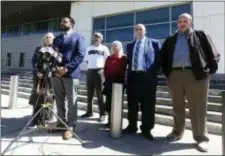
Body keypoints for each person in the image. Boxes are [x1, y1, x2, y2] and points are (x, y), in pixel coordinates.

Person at [161, 13, 220, 152]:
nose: (182, 23)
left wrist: (208, 72)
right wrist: (167, 73)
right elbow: (162, 57)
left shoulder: (200, 35)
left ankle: (201, 138)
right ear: (177, 23)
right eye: (180, 21)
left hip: (196, 76)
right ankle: (177, 132)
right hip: (175, 75)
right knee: (177, 106)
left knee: (198, 108)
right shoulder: (171, 39)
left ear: (191, 22)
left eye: (185, 21)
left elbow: (214, 55)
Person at [123, 24, 161, 140]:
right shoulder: (130, 45)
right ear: (134, 32)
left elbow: (159, 59)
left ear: (145, 31)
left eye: (141, 29)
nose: (138, 31)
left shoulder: (154, 43)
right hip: (133, 77)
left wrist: (153, 72)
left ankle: (146, 129)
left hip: (147, 77)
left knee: (148, 105)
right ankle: (132, 126)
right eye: (136, 29)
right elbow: (128, 62)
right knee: (132, 103)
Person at [51, 16, 85, 140]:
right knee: (59, 100)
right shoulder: (57, 38)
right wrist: (55, 69)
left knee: (72, 101)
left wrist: (66, 68)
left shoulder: (78, 37)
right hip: (57, 75)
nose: (62, 23)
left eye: (65, 21)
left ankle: (70, 126)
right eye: (61, 22)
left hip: (70, 74)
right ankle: (60, 123)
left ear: (71, 23)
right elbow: (54, 54)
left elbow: (80, 55)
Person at [80, 32, 110, 122]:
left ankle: (102, 113)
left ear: (101, 39)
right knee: (89, 94)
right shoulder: (89, 48)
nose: (96, 38)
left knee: (100, 94)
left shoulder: (104, 48)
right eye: (95, 36)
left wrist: (102, 71)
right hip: (90, 72)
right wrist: (90, 69)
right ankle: (89, 112)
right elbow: (87, 60)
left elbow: (107, 60)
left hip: (100, 72)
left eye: (98, 37)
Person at [29, 32, 55, 127]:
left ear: (53, 39)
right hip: (39, 76)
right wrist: (37, 72)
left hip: (50, 77)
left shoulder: (55, 50)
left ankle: (47, 117)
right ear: (44, 39)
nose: (48, 39)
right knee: (38, 96)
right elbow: (34, 61)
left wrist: (52, 71)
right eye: (46, 37)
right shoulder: (38, 49)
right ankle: (36, 118)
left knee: (49, 96)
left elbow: (56, 63)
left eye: (50, 37)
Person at [102, 41, 127, 128]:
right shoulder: (109, 58)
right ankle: (109, 121)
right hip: (109, 82)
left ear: (120, 47)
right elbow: (105, 69)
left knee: (117, 103)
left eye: (116, 46)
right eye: (113, 46)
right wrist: (108, 77)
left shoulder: (124, 58)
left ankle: (117, 122)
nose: (114, 47)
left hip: (120, 83)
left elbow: (125, 71)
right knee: (109, 102)